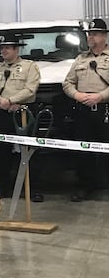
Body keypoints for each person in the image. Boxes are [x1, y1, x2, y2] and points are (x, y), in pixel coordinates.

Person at [0, 34, 40, 199]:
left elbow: (31, 89)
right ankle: (1, 187)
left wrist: (11, 100)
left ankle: (32, 188)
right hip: (1, 113)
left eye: (7, 48)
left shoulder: (30, 67)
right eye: (2, 48)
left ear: (17, 49)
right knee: (2, 151)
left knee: (28, 150)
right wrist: (2, 102)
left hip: (23, 112)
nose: (3, 51)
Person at [63, 18, 109, 202]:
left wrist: (100, 96)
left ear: (105, 36)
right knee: (83, 148)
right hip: (83, 108)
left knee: (106, 148)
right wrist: (77, 95)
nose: (91, 37)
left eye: (95, 34)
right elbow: (67, 83)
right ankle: (85, 185)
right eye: (89, 34)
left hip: (105, 107)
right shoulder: (81, 58)